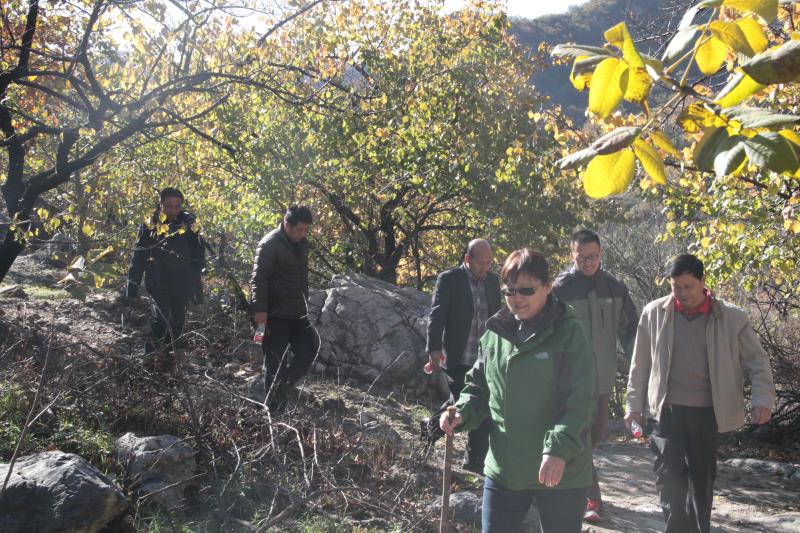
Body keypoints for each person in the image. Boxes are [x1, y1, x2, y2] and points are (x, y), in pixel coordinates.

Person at [440, 248, 596, 533]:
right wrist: (462, 412)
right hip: (505, 469)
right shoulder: (494, 333)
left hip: (561, 470)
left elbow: (580, 401)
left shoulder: (570, 332)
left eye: (526, 290)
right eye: (509, 291)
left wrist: (558, 450)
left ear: (547, 287)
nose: (517, 298)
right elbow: (478, 388)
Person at [626, 254, 775, 533]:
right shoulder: (654, 313)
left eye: (688, 287)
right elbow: (640, 364)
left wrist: (762, 399)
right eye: (676, 287)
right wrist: (633, 406)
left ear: (703, 282)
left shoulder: (731, 317)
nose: (682, 293)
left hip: (707, 411)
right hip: (667, 410)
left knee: (701, 480)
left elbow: (757, 360)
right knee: (668, 477)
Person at [552, 228, 638, 522]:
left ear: (601, 254)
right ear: (572, 255)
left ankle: (569, 487)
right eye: (582, 257)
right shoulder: (560, 290)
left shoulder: (615, 288)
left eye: (593, 256)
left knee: (595, 435)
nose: (588, 262)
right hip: (570, 380)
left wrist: (638, 363)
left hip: (603, 378)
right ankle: (589, 498)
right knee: (578, 435)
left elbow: (631, 330)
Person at [424, 239, 501, 472]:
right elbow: (437, 316)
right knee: (468, 403)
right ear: (468, 259)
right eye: (481, 263)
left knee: (476, 405)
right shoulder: (450, 279)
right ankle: (469, 459)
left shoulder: (493, 281)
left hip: (486, 359)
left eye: (489, 263)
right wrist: (434, 350)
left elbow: (498, 316)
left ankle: (471, 459)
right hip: (458, 357)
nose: (485, 268)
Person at [250, 205, 318, 409]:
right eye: (300, 230)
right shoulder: (269, 244)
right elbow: (258, 280)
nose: (303, 234)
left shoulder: (302, 244)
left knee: (309, 348)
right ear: (287, 225)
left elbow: (302, 279)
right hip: (274, 314)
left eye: (306, 230)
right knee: (275, 361)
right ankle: (274, 411)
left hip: (297, 313)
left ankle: (280, 387)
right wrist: (260, 311)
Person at [126, 187, 205, 359]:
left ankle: (170, 357)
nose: (173, 210)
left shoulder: (189, 223)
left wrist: (196, 282)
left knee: (178, 319)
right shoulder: (150, 224)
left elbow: (198, 255)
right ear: (160, 204)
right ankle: (150, 356)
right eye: (169, 206)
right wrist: (132, 287)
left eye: (177, 206)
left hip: (182, 281)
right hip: (158, 281)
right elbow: (138, 256)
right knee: (162, 317)